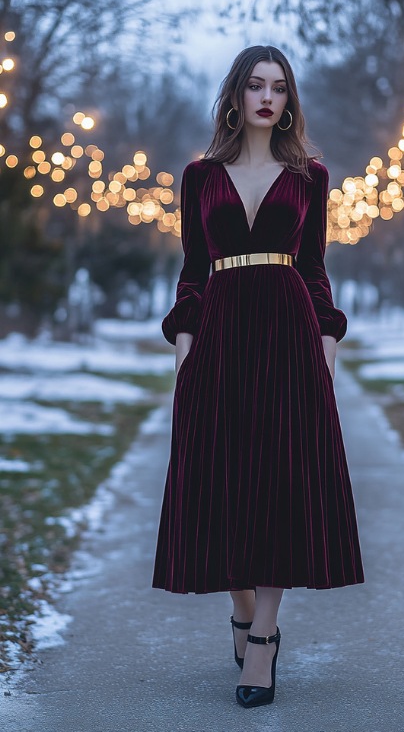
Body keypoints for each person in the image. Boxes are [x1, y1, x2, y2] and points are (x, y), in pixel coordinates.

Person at [152, 44, 364, 708]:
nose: (267, 97)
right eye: (255, 86)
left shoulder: (309, 176)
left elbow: (313, 268)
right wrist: (184, 344)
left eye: (278, 87)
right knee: (219, 481)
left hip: (288, 331)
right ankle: (240, 604)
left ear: (289, 100)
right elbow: (191, 270)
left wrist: (326, 338)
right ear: (236, 98)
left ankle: (264, 637)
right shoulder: (199, 176)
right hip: (217, 336)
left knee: (279, 482)